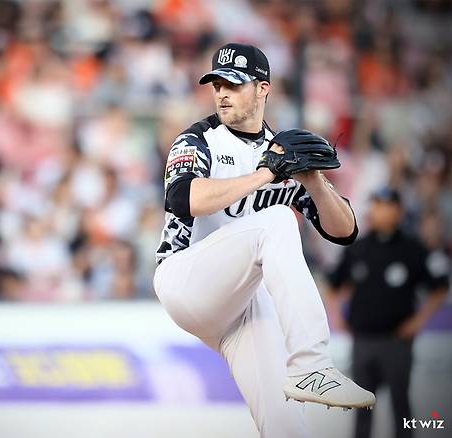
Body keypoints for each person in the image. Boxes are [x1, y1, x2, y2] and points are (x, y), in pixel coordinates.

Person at [153, 43, 375, 438]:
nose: (222, 92)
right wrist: (265, 174)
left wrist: (314, 182)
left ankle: (308, 376)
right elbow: (184, 199)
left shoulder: (282, 150)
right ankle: (311, 364)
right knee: (275, 220)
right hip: (184, 278)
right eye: (216, 83)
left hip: (243, 305)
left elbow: (346, 231)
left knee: (286, 425)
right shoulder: (200, 139)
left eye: (234, 84)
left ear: (262, 88)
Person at [327, 187, 449, 438]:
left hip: (397, 341)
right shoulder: (357, 248)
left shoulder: (413, 249)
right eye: (375, 204)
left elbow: (439, 287)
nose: (377, 211)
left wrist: (418, 321)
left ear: (398, 210)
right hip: (362, 340)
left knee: (401, 406)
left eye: (384, 205)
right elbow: (332, 284)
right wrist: (338, 316)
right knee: (361, 406)